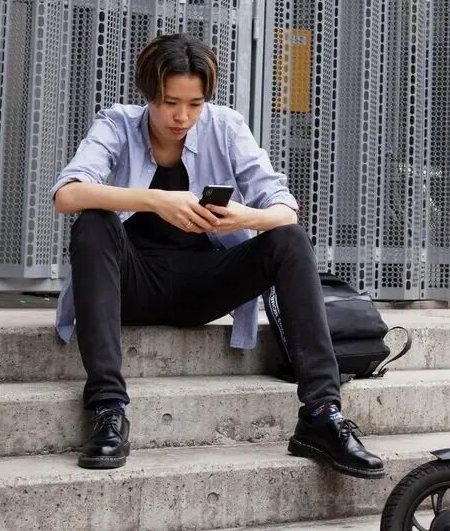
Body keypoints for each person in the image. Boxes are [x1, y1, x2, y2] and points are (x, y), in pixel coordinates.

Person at [50, 32, 383, 478]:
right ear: (148, 93)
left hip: (202, 288)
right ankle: (109, 410)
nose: (182, 116)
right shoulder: (117, 123)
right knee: (93, 221)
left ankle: (321, 415)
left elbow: (284, 209)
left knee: (289, 241)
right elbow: (66, 194)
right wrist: (155, 200)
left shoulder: (225, 126)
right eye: (170, 102)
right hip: (131, 286)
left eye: (195, 103)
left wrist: (246, 216)